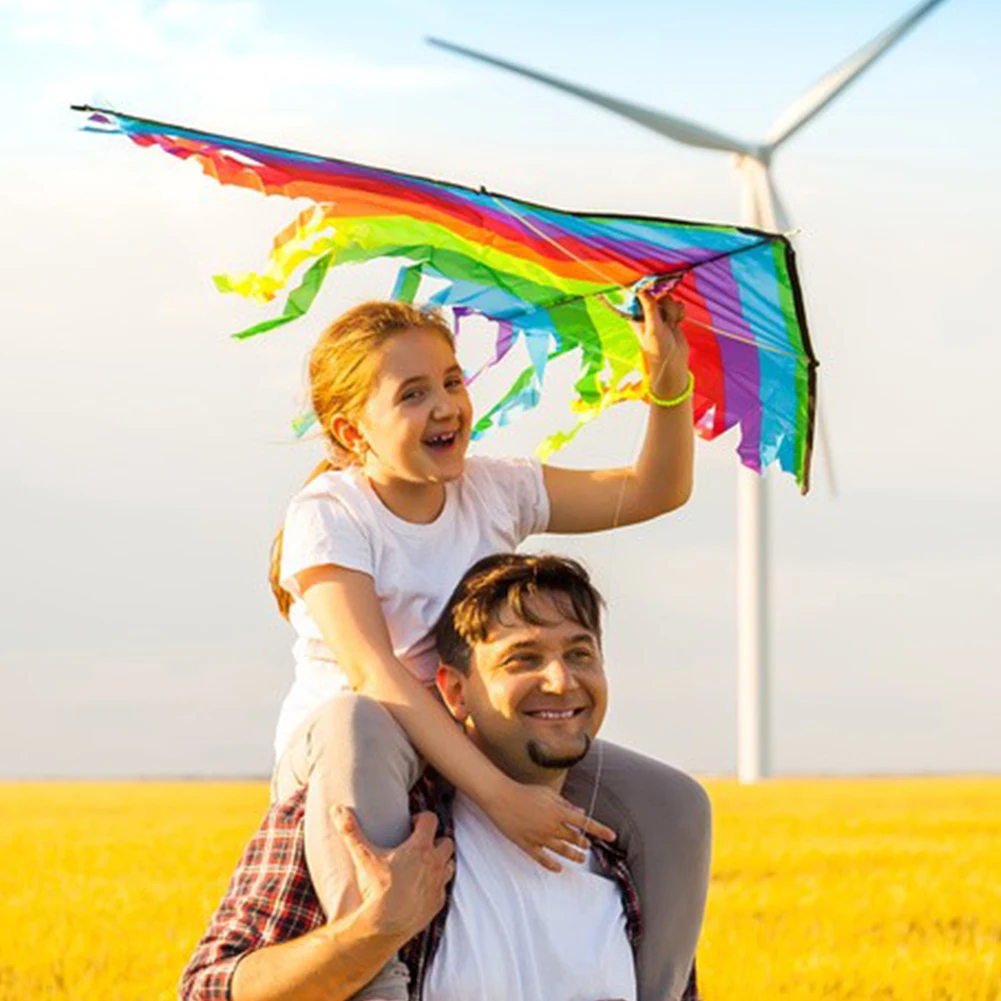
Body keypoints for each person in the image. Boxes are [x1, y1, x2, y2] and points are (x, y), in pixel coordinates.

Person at [268, 291, 698, 1000]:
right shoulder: (330, 514)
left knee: (675, 804)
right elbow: (373, 672)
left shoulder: (494, 488)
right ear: (351, 430)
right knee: (360, 718)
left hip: (469, 725)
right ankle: (377, 983)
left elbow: (654, 489)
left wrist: (666, 382)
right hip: (361, 752)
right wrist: (499, 795)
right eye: (412, 393)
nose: (445, 405)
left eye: (452, 381)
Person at [181, 553, 711, 1001]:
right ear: (454, 692)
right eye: (522, 659)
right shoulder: (382, 826)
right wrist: (371, 931)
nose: (560, 680)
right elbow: (208, 990)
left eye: (580, 654)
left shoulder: (630, 858)